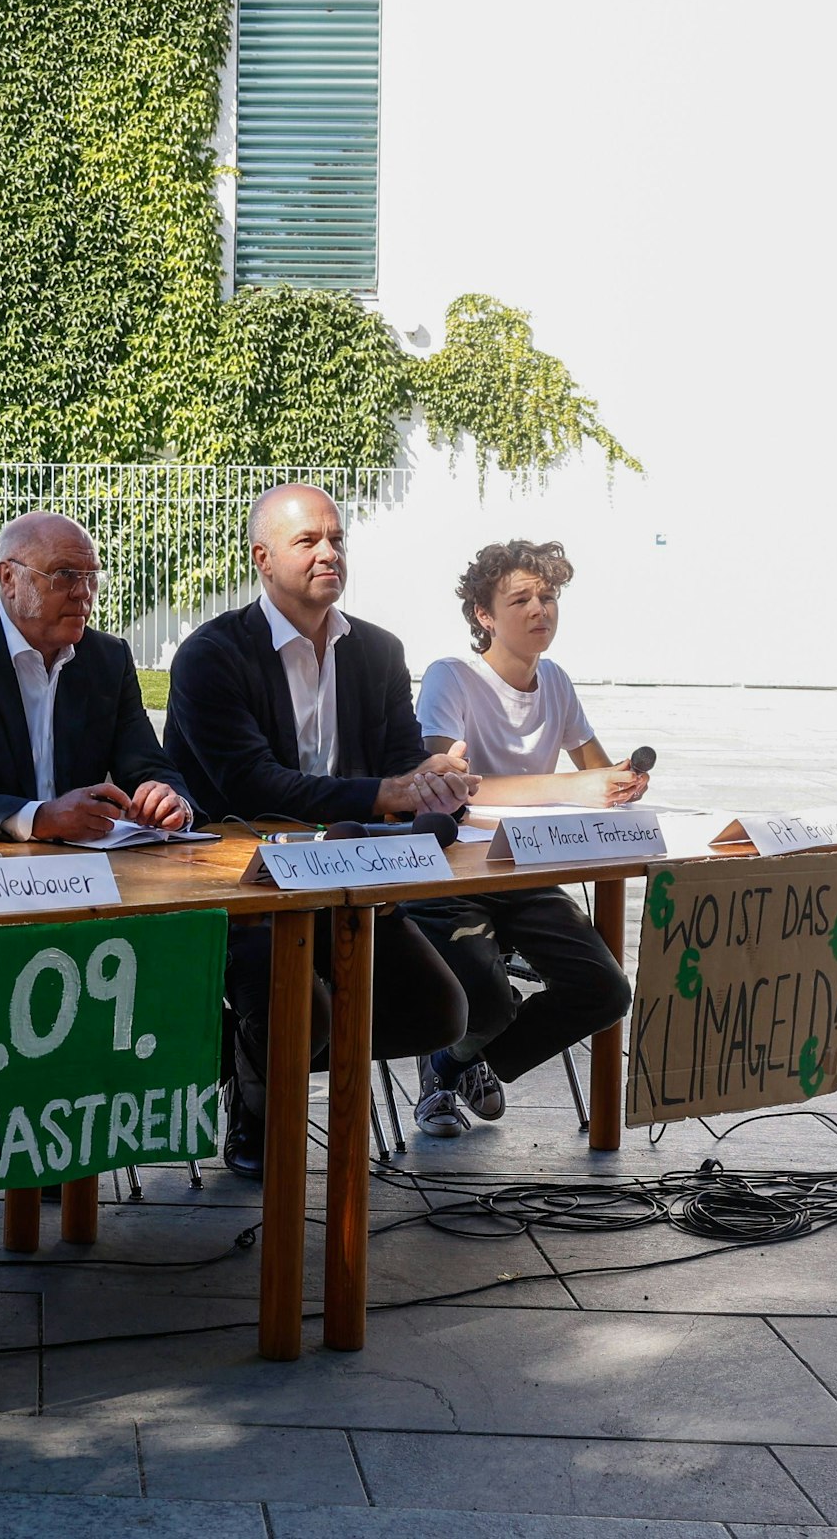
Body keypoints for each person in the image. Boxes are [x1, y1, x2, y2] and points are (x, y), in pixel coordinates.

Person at [163, 483, 474, 1178]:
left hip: (349, 879)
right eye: (309, 541)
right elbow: (254, 785)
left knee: (439, 1012)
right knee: (304, 1010)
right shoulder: (210, 656)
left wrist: (434, 779)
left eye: (337, 540)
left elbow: (399, 760)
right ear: (262, 558)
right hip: (244, 887)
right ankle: (257, 1097)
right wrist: (387, 791)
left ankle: (255, 1063)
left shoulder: (378, 651)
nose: (329, 553)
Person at [407, 539, 638, 1136]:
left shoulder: (555, 680)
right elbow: (448, 785)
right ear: (484, 615)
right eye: (522, 599)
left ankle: (459, 1060)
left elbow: (596, 772)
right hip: (450, 875)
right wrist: (575, 786)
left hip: (525, 871)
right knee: (487, 996)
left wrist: (618, 784)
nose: (541, 609)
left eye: (550, 596)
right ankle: (463, 1051)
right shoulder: (451, 677)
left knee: (606, 990)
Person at [0, 511, 195, 843]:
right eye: (64, 575)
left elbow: (149, 767)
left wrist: (171, 803)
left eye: (92, 576)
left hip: (85, 872)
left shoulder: (108, 660)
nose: (83, 592)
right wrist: (38, 818)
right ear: (9, 578)